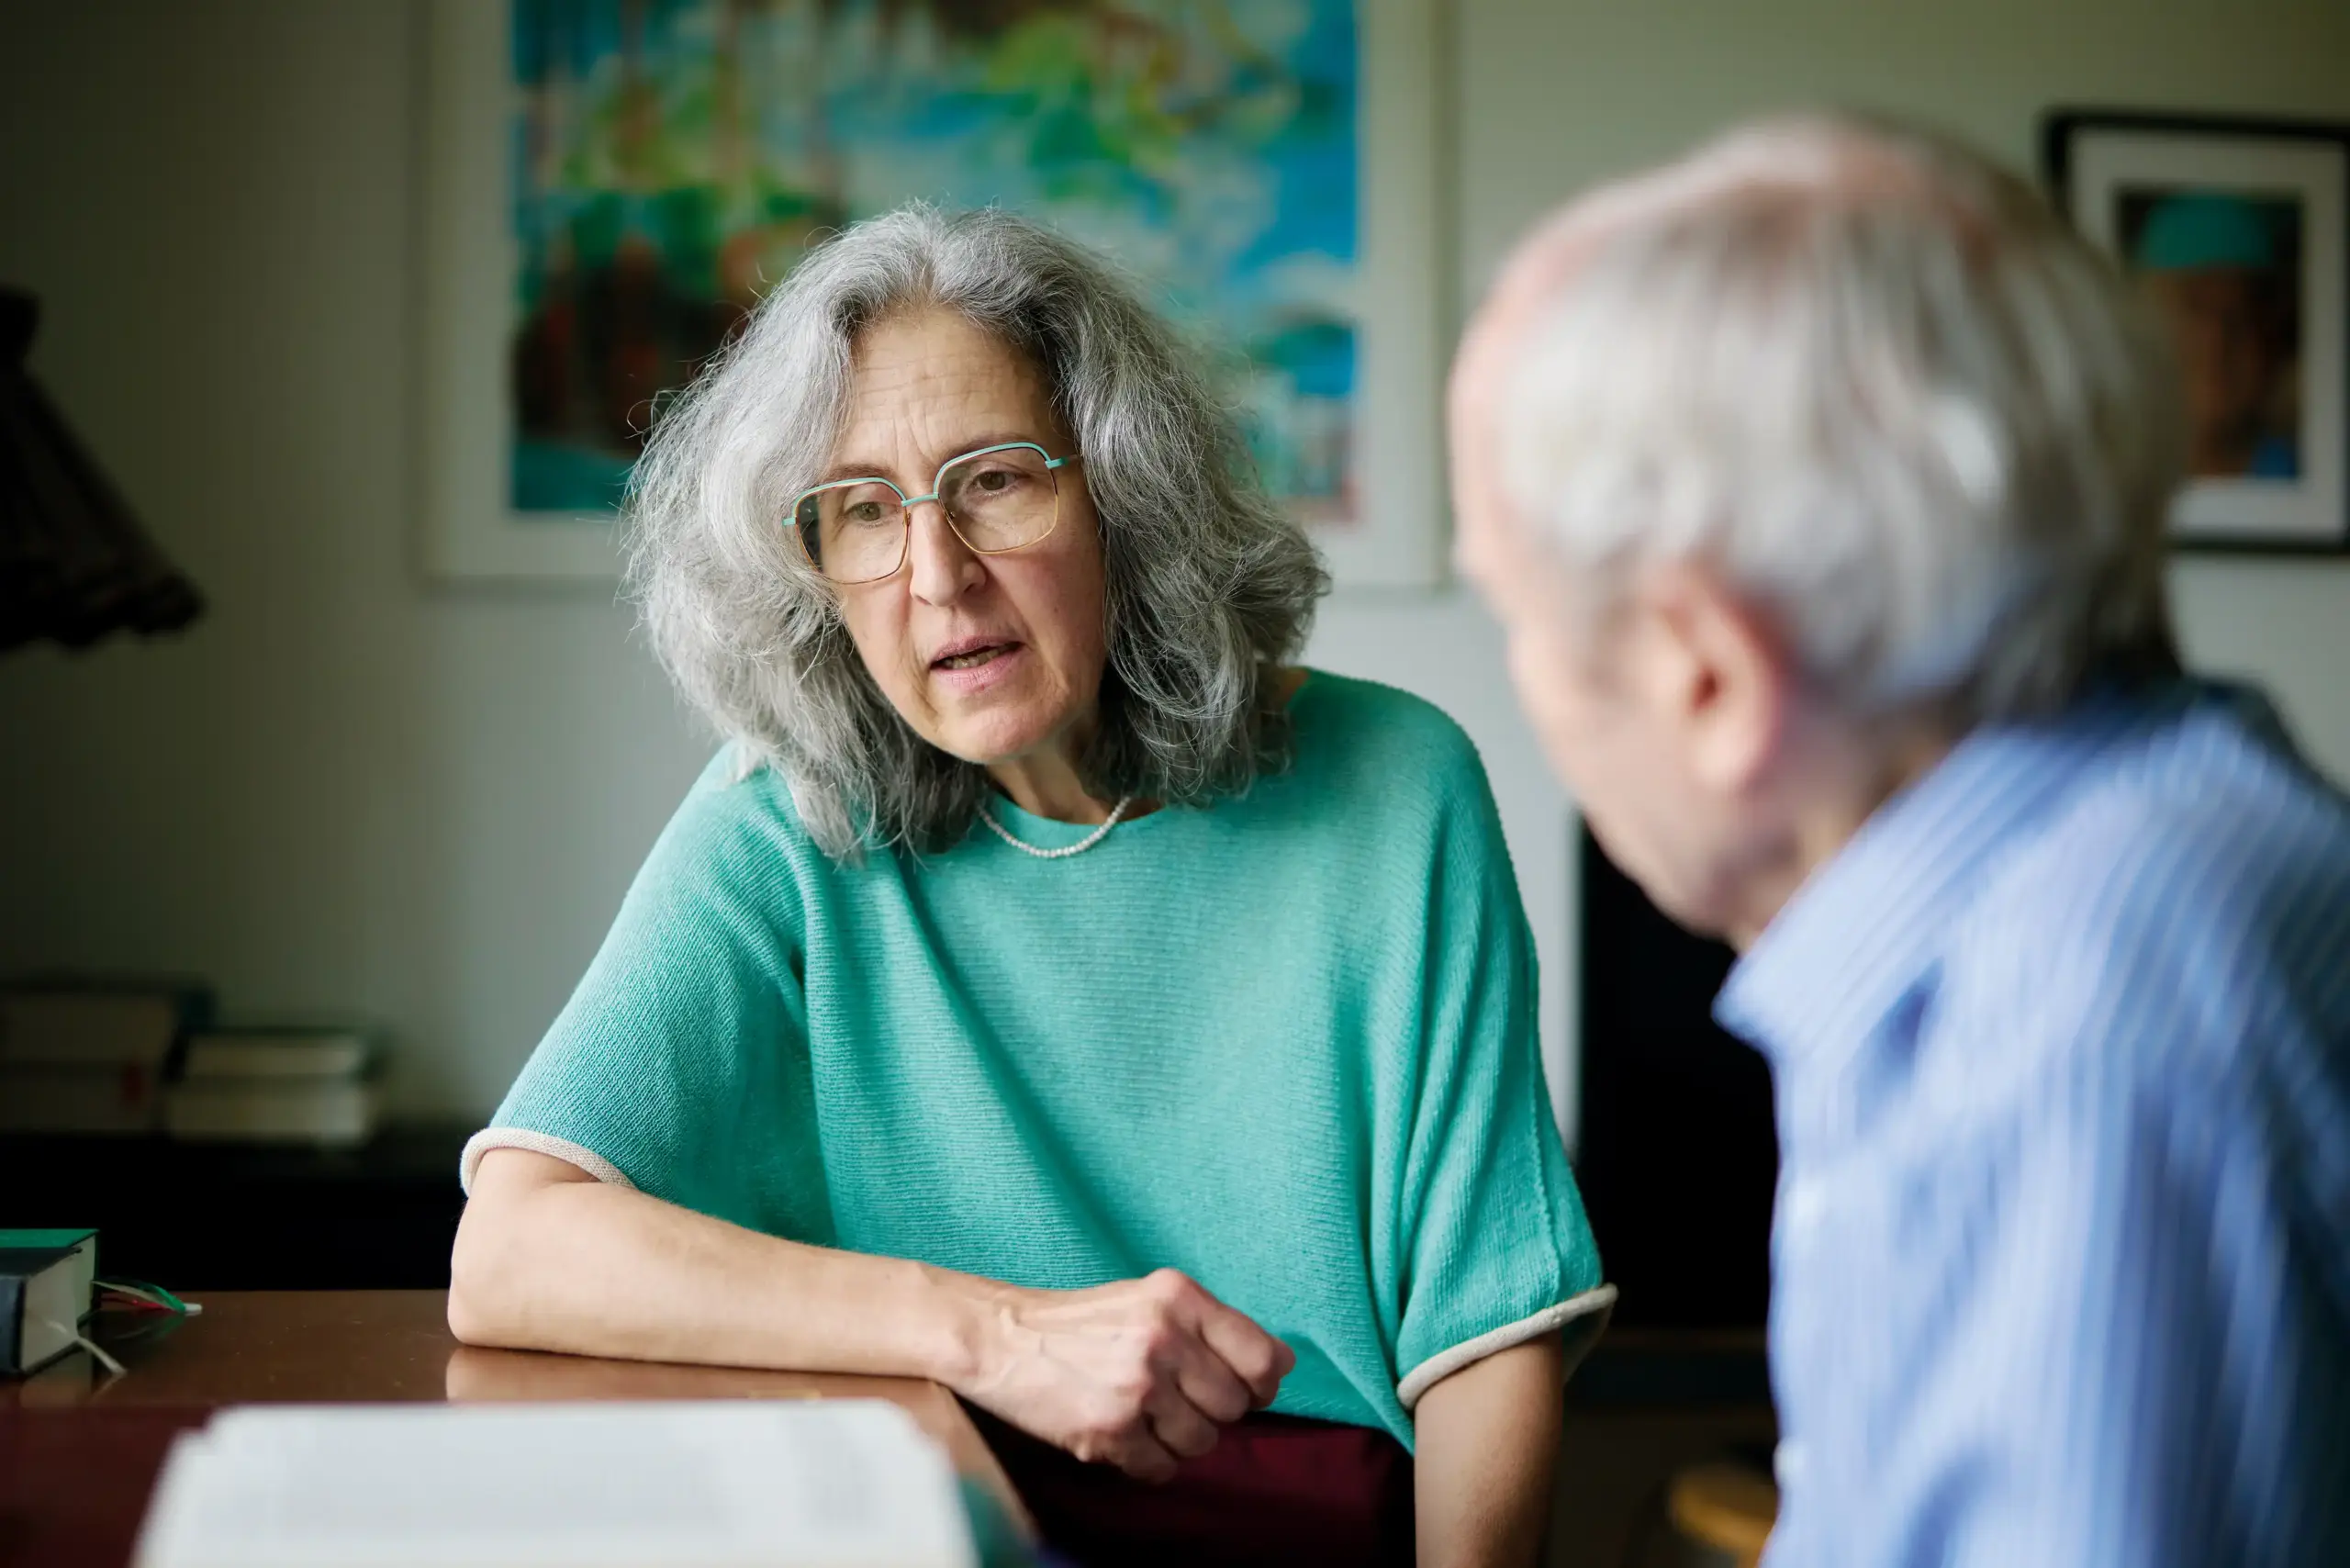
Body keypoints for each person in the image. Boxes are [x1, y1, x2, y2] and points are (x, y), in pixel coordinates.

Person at [450, 205, 1611, 1568]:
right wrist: (991, 1333)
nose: (936, 574)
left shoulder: (1395, 789)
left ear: (1124, 494)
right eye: (863, 512)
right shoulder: (787, 822)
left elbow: (1486, 1339)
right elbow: (511, 1252)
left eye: (995, 480)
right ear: (811, 569)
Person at [1451, 115, 2350, 1566]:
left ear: (1709, 678)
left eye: (1522, 618)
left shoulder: (2076, 1010)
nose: (1527, 678)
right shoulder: (2105, 869)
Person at [2131, 190, 2301, 480]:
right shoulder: (2121, 473)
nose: (2216, 345)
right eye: (2193, 309)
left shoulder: (2300, 478)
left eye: (2236, 317)